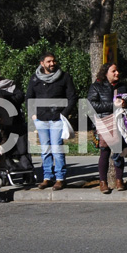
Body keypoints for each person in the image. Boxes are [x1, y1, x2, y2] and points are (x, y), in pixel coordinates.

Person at [27, 51, 77, 190]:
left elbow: (72, 97)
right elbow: (29, 97)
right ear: (42, 63)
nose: (52, 63)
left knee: (57, 148)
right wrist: (33, 115)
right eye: (48, 61)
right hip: (41, 119)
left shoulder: (64, 77)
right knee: (45, 149)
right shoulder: (35, 78)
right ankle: (47, 177)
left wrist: (64, 114)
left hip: (57, 119)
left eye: (53, 61)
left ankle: (60, 178)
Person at [0, 66, 35, 183]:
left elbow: (20, 96)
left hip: (16, 122)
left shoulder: (10, 84)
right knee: (4, 149)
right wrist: (4, 97)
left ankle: (28, 173)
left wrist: (3, 98)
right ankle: (5, 173)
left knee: (22, 148)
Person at [87, 63, 127, 194]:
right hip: (104, 121)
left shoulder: (122, 86)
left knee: (119, 152)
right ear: (106, 73)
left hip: (120, 122)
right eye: (114, 71)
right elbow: (93, 104)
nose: (117, 73)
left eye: (117, 70)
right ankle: (103, 182)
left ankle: (119, 180)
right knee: (105, 152)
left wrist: (125, 103)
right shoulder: (96, 87)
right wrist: (113, 105)